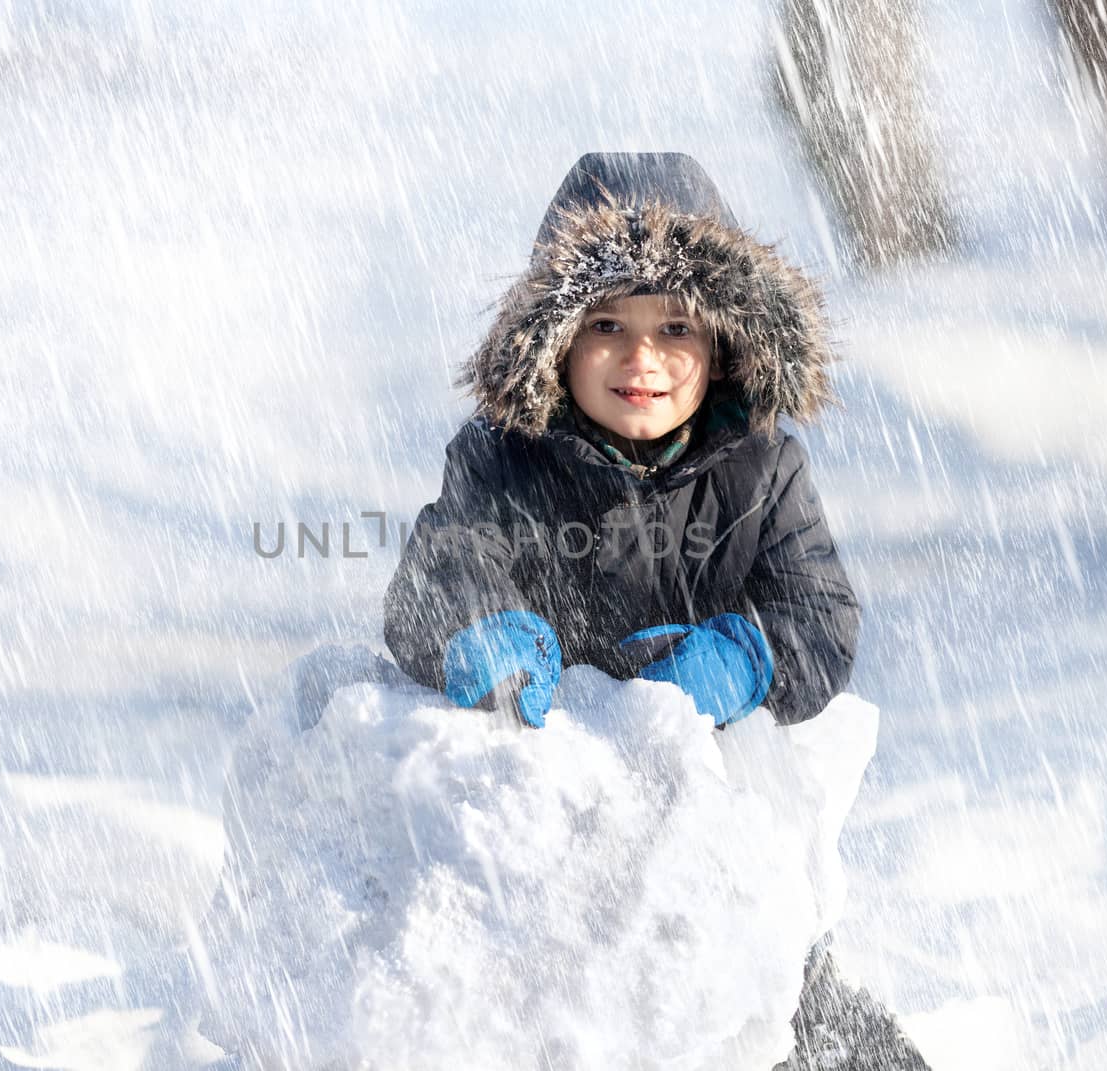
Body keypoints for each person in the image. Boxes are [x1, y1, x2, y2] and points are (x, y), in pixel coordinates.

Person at [381, 152, 928, 1070]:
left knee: (781, 1004)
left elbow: (821, 612)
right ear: (555, 340)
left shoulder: (763, 467)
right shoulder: (503, 460)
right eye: (607, 325)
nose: (644, 359)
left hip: (720, 813)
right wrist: (476, 629)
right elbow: (436, 574)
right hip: (555, 823)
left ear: (723, 339)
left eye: (676, 324)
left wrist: (749, 655)